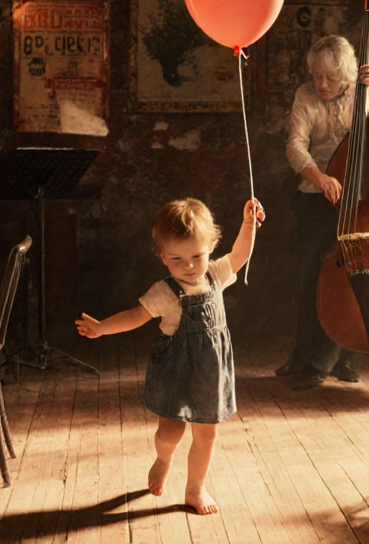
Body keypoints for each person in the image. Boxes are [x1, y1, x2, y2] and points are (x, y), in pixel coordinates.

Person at [75, 197, 264, 515]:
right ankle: (163, 459)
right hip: (176, 370)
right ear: (163, 257)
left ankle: (195, 489)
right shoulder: (165, 291)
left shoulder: (216, 275)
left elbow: (241, 254)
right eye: (177, 259)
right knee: (170, 433)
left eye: (196, 256)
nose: (188, 266)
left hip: (210, 371)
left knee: (207, 433)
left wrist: (248, 223)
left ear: (211, 248)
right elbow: (135, 315)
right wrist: (102, 328)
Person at [277, 35, 369, 390]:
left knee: (355, 272)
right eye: (317, 76)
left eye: (330, 78)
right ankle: (304, 355)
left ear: (346, 75)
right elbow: (295, 145)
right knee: (310, 275)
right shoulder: (304, 96)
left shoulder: (364, 90)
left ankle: (338, 359)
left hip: (360, 199)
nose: (321, 84)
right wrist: (319, 176)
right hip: (316, 195)